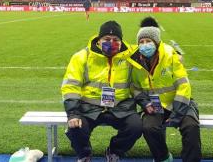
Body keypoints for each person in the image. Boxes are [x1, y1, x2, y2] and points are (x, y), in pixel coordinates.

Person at [61, 21, 147, 162]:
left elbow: (156, 48)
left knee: (136, 127)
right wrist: (73, 113)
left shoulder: (130, 55)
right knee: (75, 128)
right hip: (88, 107)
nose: (111, 43)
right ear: (99, 40)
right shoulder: (82, 56)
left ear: (121, 41)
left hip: (121, 107)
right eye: (107, 39)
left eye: (116, 40)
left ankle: (114, 151)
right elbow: (71, 86)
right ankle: (84, 154)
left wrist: (175, 54)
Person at [129, 17, 201, 162]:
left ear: (156, 42)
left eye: (148, 41)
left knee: (191, 126)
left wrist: (177, 112)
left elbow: (183, 85)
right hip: (154, 105)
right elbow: (135, 88)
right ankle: (163, 158)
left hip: (179, 103)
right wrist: (145, 103)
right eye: (141, 42)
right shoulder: (134, 61)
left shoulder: (170, 56)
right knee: (149, 128)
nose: (145, 45)